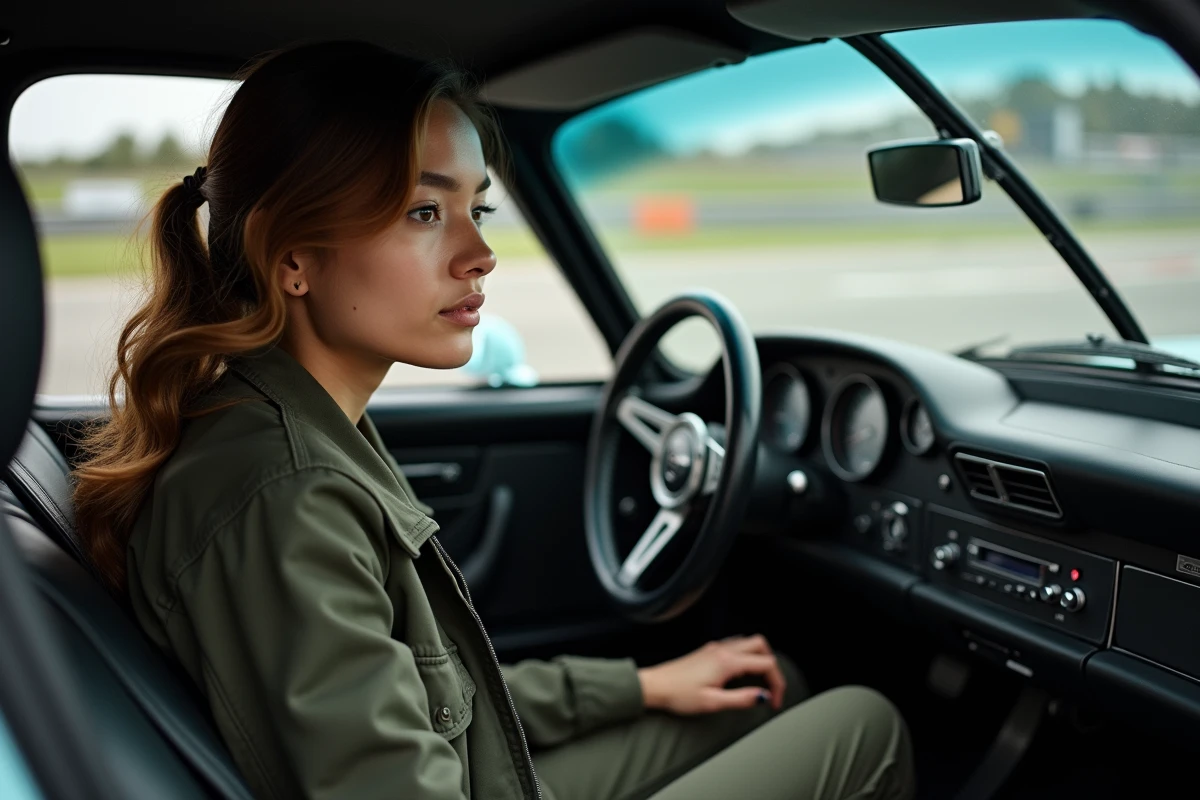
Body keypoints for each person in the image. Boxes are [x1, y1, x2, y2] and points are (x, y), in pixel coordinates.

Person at [69, 41, 915, 800]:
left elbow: (442, 697)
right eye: (424, 212)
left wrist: (644, 685)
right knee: (863, 726)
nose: (481, 254)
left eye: (482, 207)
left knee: (769, 692)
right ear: (292, 257)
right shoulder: (288, 496)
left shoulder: (291, 423)